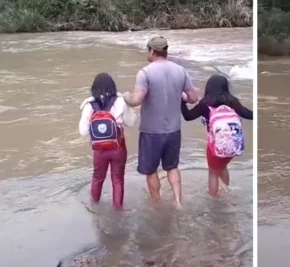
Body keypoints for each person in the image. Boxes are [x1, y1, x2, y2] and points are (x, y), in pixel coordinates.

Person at [124, 36, 198, 206]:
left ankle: (157, 203)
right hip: (174, 130)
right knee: (172, 167)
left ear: (152, 50)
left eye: (147, 50)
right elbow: (193, 98)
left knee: (151, 171)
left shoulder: (145, 73)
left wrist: (125, 97)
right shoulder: (181, 71)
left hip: (151, 132)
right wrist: (181, 95)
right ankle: (178, 202)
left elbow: (136, 100)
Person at [180, 74, 252, 196]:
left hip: (215, 146)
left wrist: (182, 101)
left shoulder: (205, 104)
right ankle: (226, 191)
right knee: (223, 167)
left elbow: (188, 117)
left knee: (213, 172)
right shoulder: (233, 102)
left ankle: (214, 198)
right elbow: (250, 115)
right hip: (233, 144)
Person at [79, 73, 134, 209]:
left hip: (99, 150)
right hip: (118, 147)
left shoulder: (89, 105)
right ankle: (118, 209)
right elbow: (131, 122)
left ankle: (94, 206)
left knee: (97, 178)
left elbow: (83, 131)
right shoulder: (120, 101)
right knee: (118, 180)